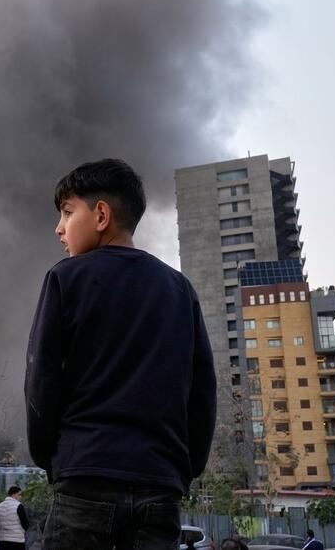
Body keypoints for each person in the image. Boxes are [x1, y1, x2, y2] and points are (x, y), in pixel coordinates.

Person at [25, 159, 217, 550]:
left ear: (100, 215)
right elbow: (202, 391)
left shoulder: (66, 278)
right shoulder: (179, 289)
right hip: (160, 483)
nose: (59, 228)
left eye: (67, 212)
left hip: (85, 474)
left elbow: (41, 379)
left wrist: (54, 457)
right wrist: (185, 466)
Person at [0, 485, 30, 550]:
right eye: (19, 495)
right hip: (17, 541)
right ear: (14, 494)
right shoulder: (18, 506)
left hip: (3, 541)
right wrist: (24, 529)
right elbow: (25, 523)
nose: (20, 497)